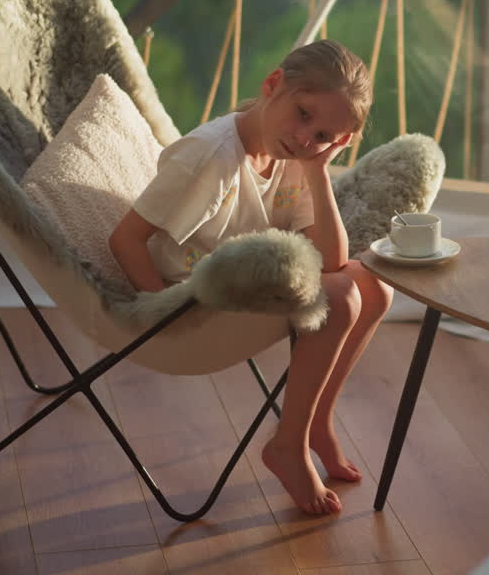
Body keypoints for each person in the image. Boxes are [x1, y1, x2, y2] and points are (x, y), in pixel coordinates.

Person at [108, 40, 393, 516]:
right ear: (272, 85)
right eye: (303, 114)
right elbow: (126, 239)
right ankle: (289, 443)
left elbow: (333, 259)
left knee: (373, 285)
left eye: (324, 134)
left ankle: (316, 420)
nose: (306, 138)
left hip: (252, 281)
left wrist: (319, 170)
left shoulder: (296, 156)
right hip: (196, 295)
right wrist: (159, 313)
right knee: (341, 296)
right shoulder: (210, 155)